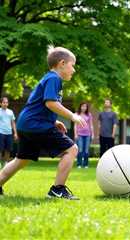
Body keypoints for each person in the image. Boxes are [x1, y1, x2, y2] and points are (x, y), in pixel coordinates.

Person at [0, 46, 87, 199]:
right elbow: (50, 103)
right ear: (62, 63)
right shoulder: (54, 79)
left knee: (21, 160)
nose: (73, 70)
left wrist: (54, 122)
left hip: (26, 124)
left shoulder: (48, 78)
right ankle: (57, 190)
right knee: (71, 149)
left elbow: (38, 105)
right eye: (72, 65)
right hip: (35, 125)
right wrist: (72, 116)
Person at [74, 102, 94, 168]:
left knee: (86, 150)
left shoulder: (89, 115)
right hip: (79, 134)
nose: (84, 108)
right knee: (80, 149)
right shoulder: (77, 114)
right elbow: (75, 125)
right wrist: (75, 134)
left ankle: (86, 164)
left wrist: (92, 134)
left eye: (85, 107)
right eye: (82, 106)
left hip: (87, 134)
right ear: (80, 107)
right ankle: (79, 164)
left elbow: (91, 125)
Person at [0, 97, 18, 168]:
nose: (5, 104)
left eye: (6, 102)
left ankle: (5, 163)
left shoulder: (10, 112)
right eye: (4, 102)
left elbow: (13, 123)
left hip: (9, 133)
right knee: (0, 149)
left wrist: (15, 133)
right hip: (0, 132)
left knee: (8, 150)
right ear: (0, 103)